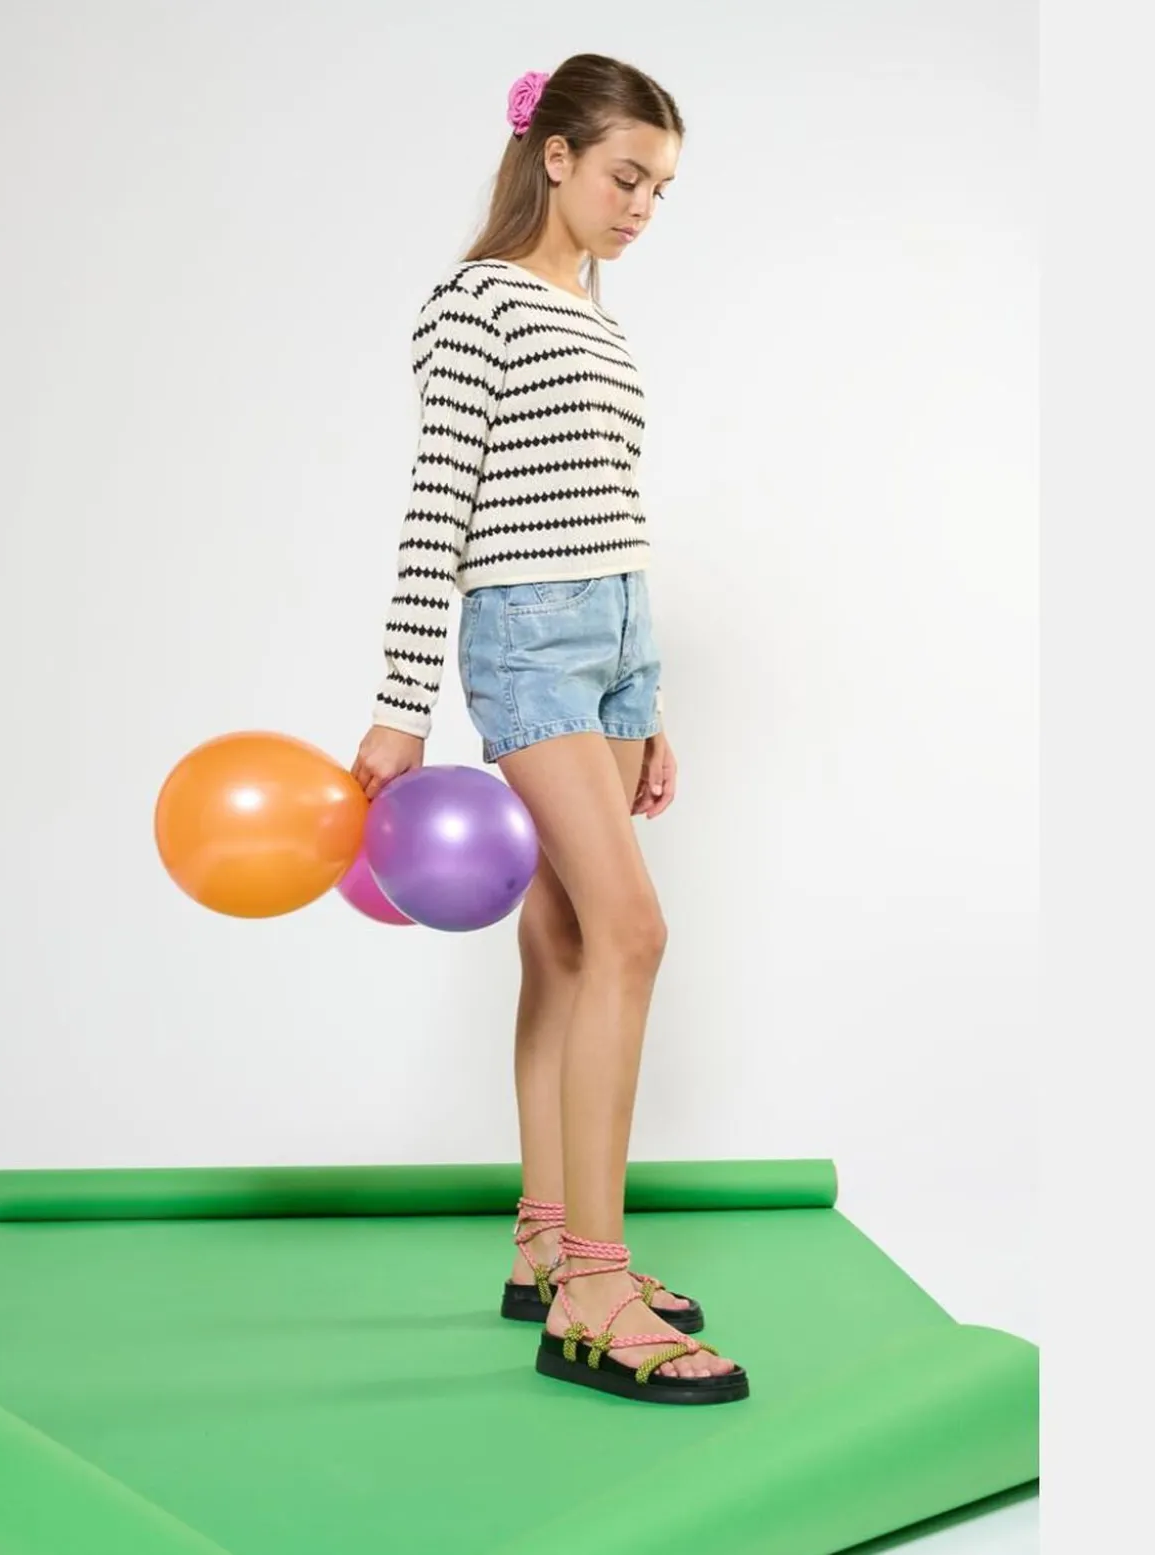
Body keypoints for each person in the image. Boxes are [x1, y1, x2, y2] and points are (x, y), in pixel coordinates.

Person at [351, 55, 747, 1405]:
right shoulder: (477, 302)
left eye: (662, 188)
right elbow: (439, 506)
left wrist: (651, 698)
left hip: (619, 639)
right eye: (627, 176)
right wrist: (400, 705)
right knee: (633, 932)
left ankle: (543, 1238)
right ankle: (593, 1288)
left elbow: (610, 503)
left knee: (571, 943)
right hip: (526, 637)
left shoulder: (596, 316)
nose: (643, 206)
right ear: (558, 155)